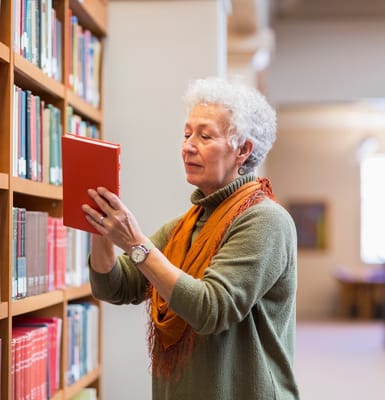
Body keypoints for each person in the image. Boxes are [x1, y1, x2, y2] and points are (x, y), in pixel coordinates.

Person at [82, 76, 300, 400]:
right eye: (186, 134)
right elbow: (114, 286)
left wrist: (135, 243)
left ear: (243, 149)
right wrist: (101, 227)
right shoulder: (184, 226)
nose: (188, 146)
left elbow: (210, 309)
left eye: (205, 135)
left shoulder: (266, 220)